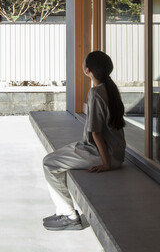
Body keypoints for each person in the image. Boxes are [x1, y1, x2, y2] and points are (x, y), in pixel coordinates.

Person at [42, 50, 126, 231]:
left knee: (49, 163)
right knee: (58, 155)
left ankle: (69, 216)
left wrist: (106, 163)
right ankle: (64, 211)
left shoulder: (96, 93)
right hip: (113, 151)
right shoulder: (110, 89)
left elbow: (96, 132)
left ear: (88, 70)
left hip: (102, 153)